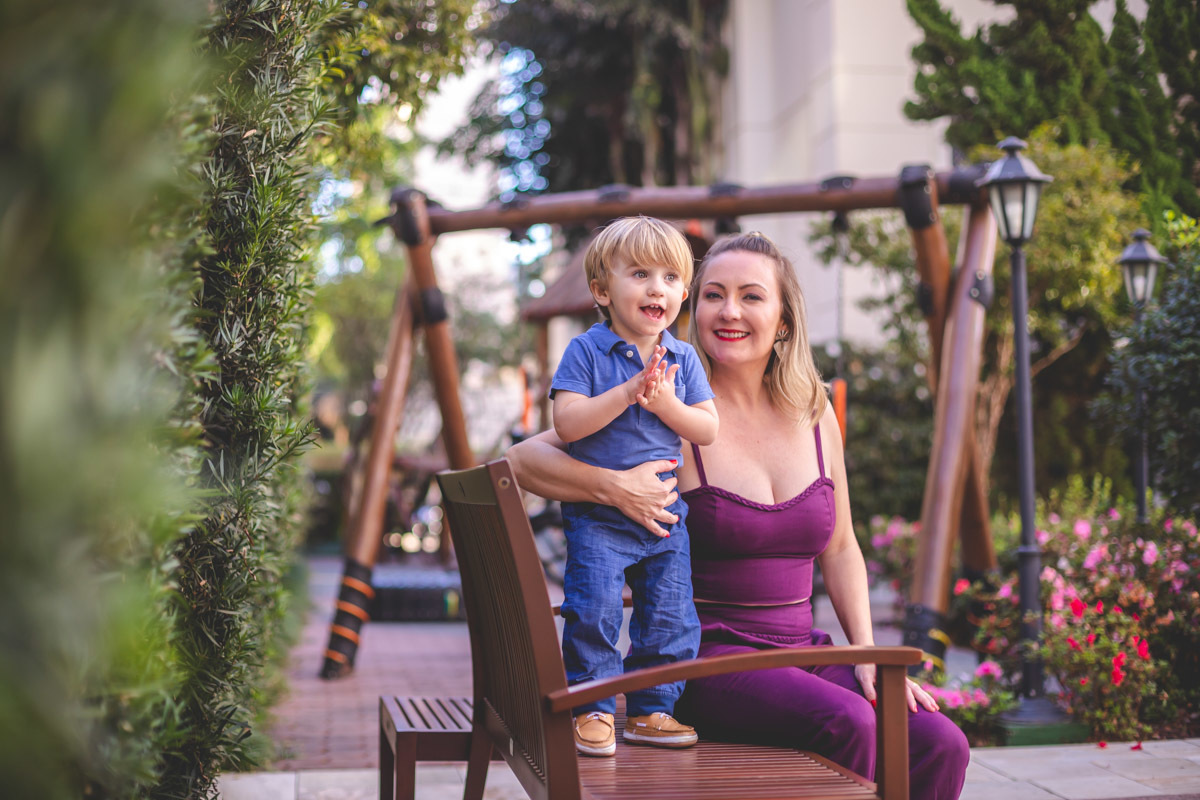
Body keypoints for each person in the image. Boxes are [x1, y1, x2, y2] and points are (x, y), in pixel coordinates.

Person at [509, 232, 969, 798]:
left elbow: (842, 545)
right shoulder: (663, 406)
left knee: (941, 743)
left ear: (782, 320)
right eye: (713, 296)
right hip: (708, 659)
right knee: (849, 724)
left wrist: (867, 657)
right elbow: (521, 460)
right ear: (692, 308)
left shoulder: (815, 411)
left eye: (751, 296)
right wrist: (613, 488)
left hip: (805, 651)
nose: (729, 311)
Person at [550, 216, 719, 757]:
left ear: (683, 293)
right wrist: (627, 393)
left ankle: (652, 709)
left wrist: (668, 404)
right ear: (602, 290)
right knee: (594, 608)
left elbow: (708, 428)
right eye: (640, 273)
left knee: (670, 614)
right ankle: (594, 705)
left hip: (666, 516)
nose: (657, 288)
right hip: (598, 516)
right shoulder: (586, 352)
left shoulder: (684, 358)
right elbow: (567, 425)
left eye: (671, 277)